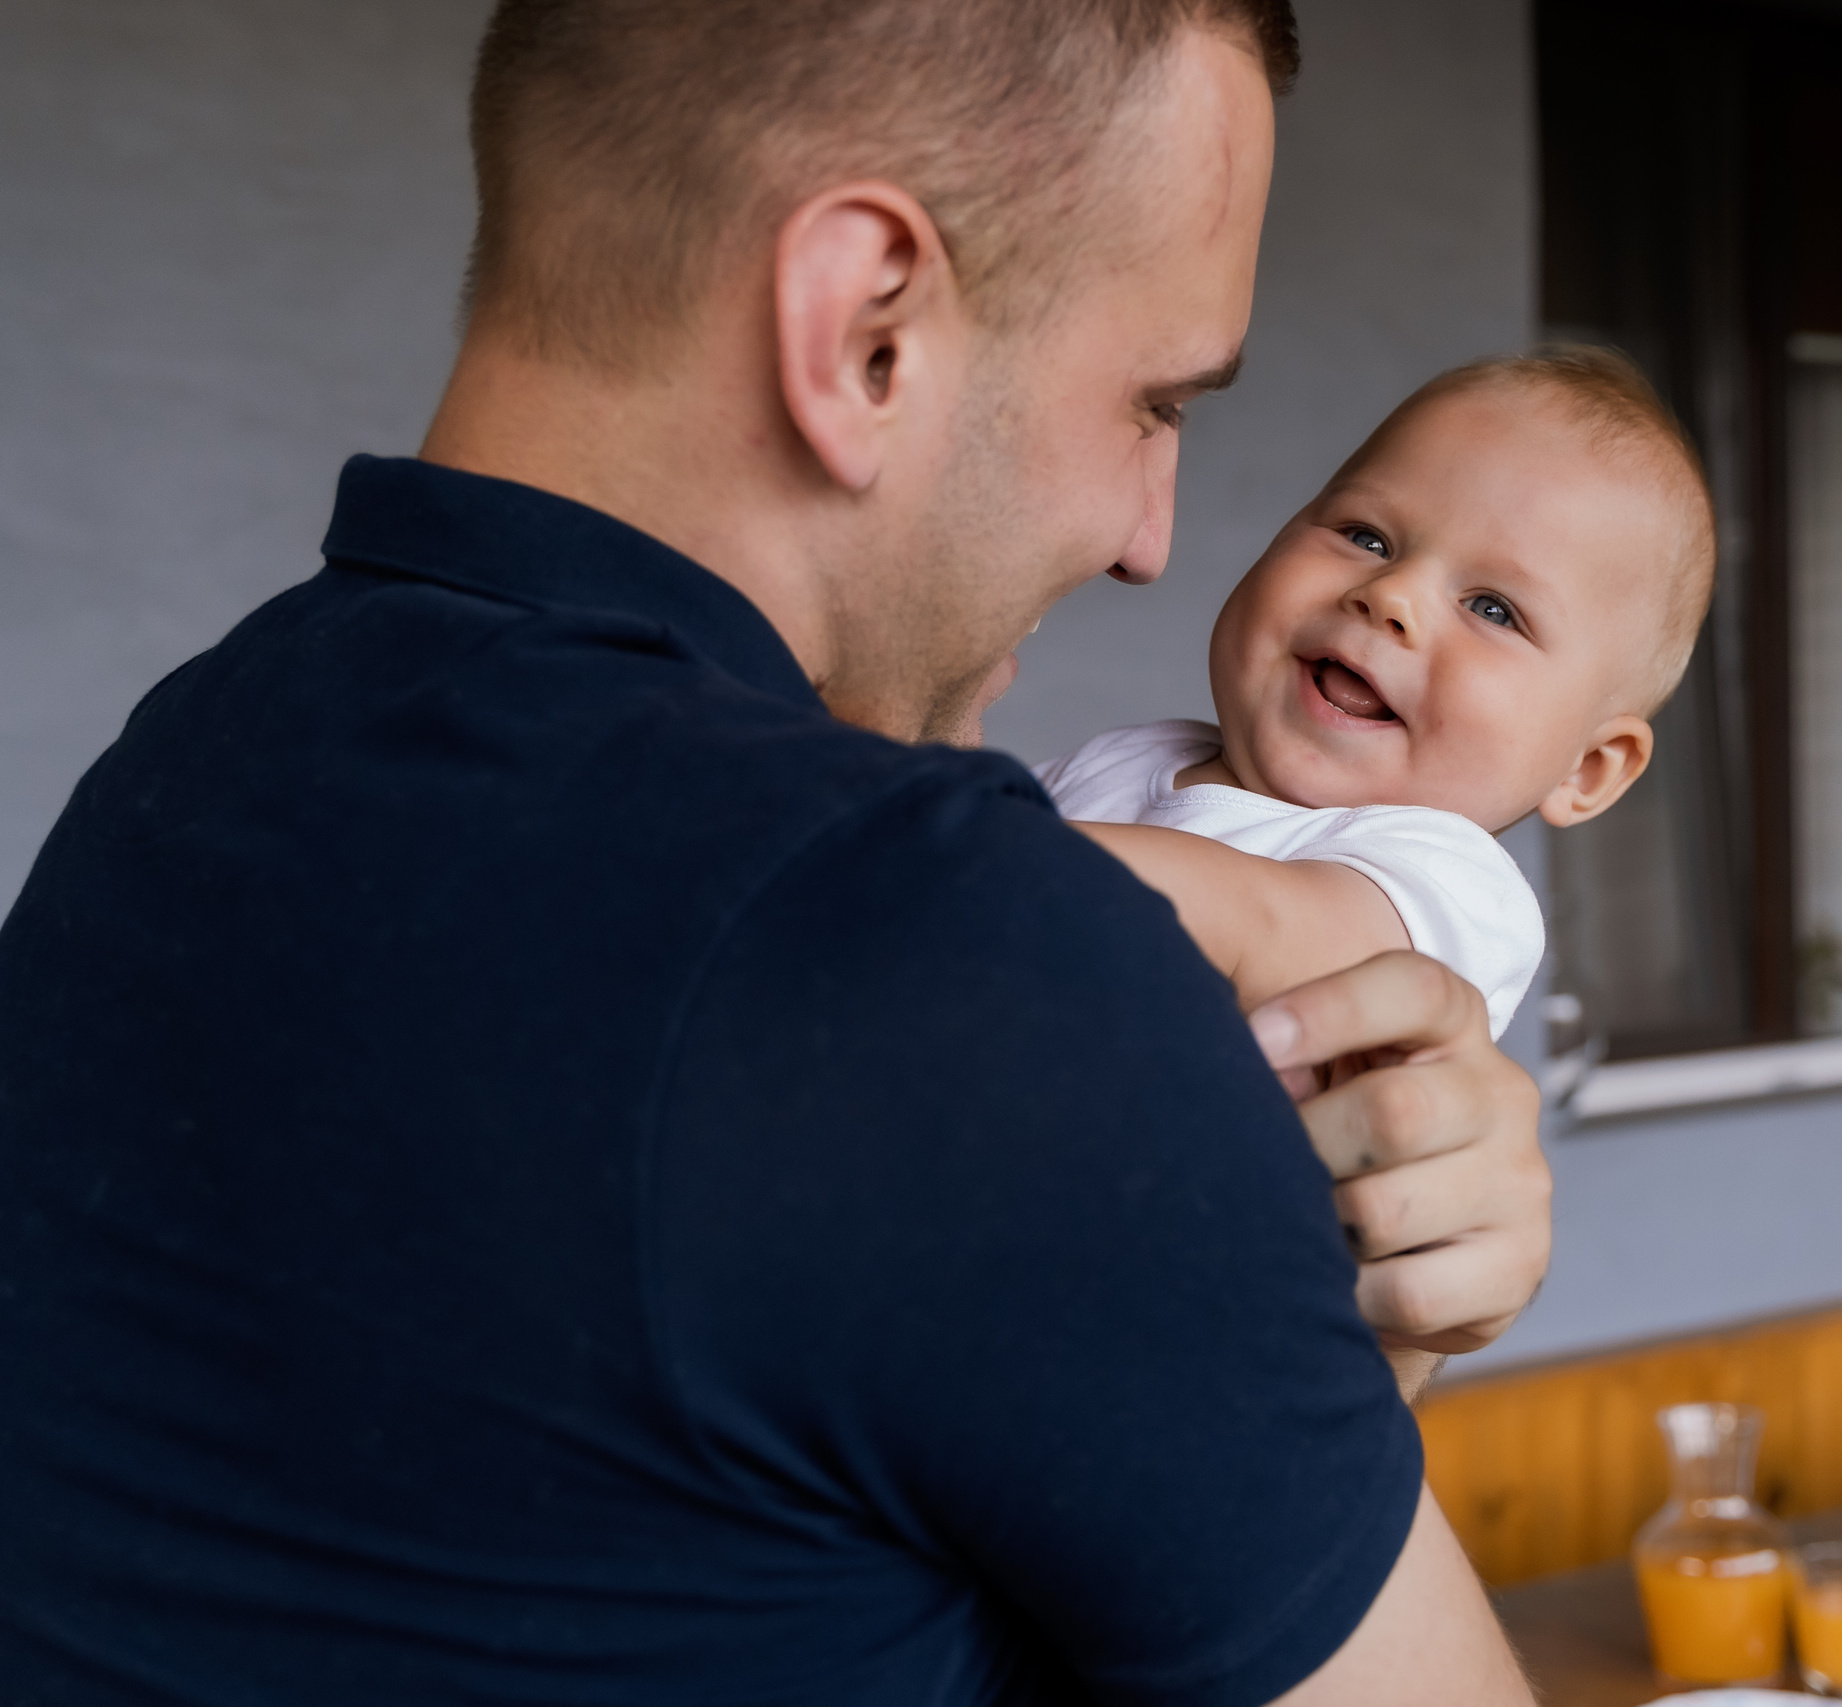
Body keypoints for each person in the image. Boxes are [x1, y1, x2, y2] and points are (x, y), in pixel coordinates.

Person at [0, 2, 1550, 1702]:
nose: (1149, 539)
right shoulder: (937, 940)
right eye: (1154, 403)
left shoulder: (176, 772)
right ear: (866, 329)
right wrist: (1353, 1319)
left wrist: (1309, 1324)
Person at [1037, 348, 1715, 1031]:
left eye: (1492, 609)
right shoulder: (1124, 761)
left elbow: (1265, 929)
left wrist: (989, 844)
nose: (1391, 595)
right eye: (1367, 536)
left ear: (1588, 768)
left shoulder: (1451, 889)